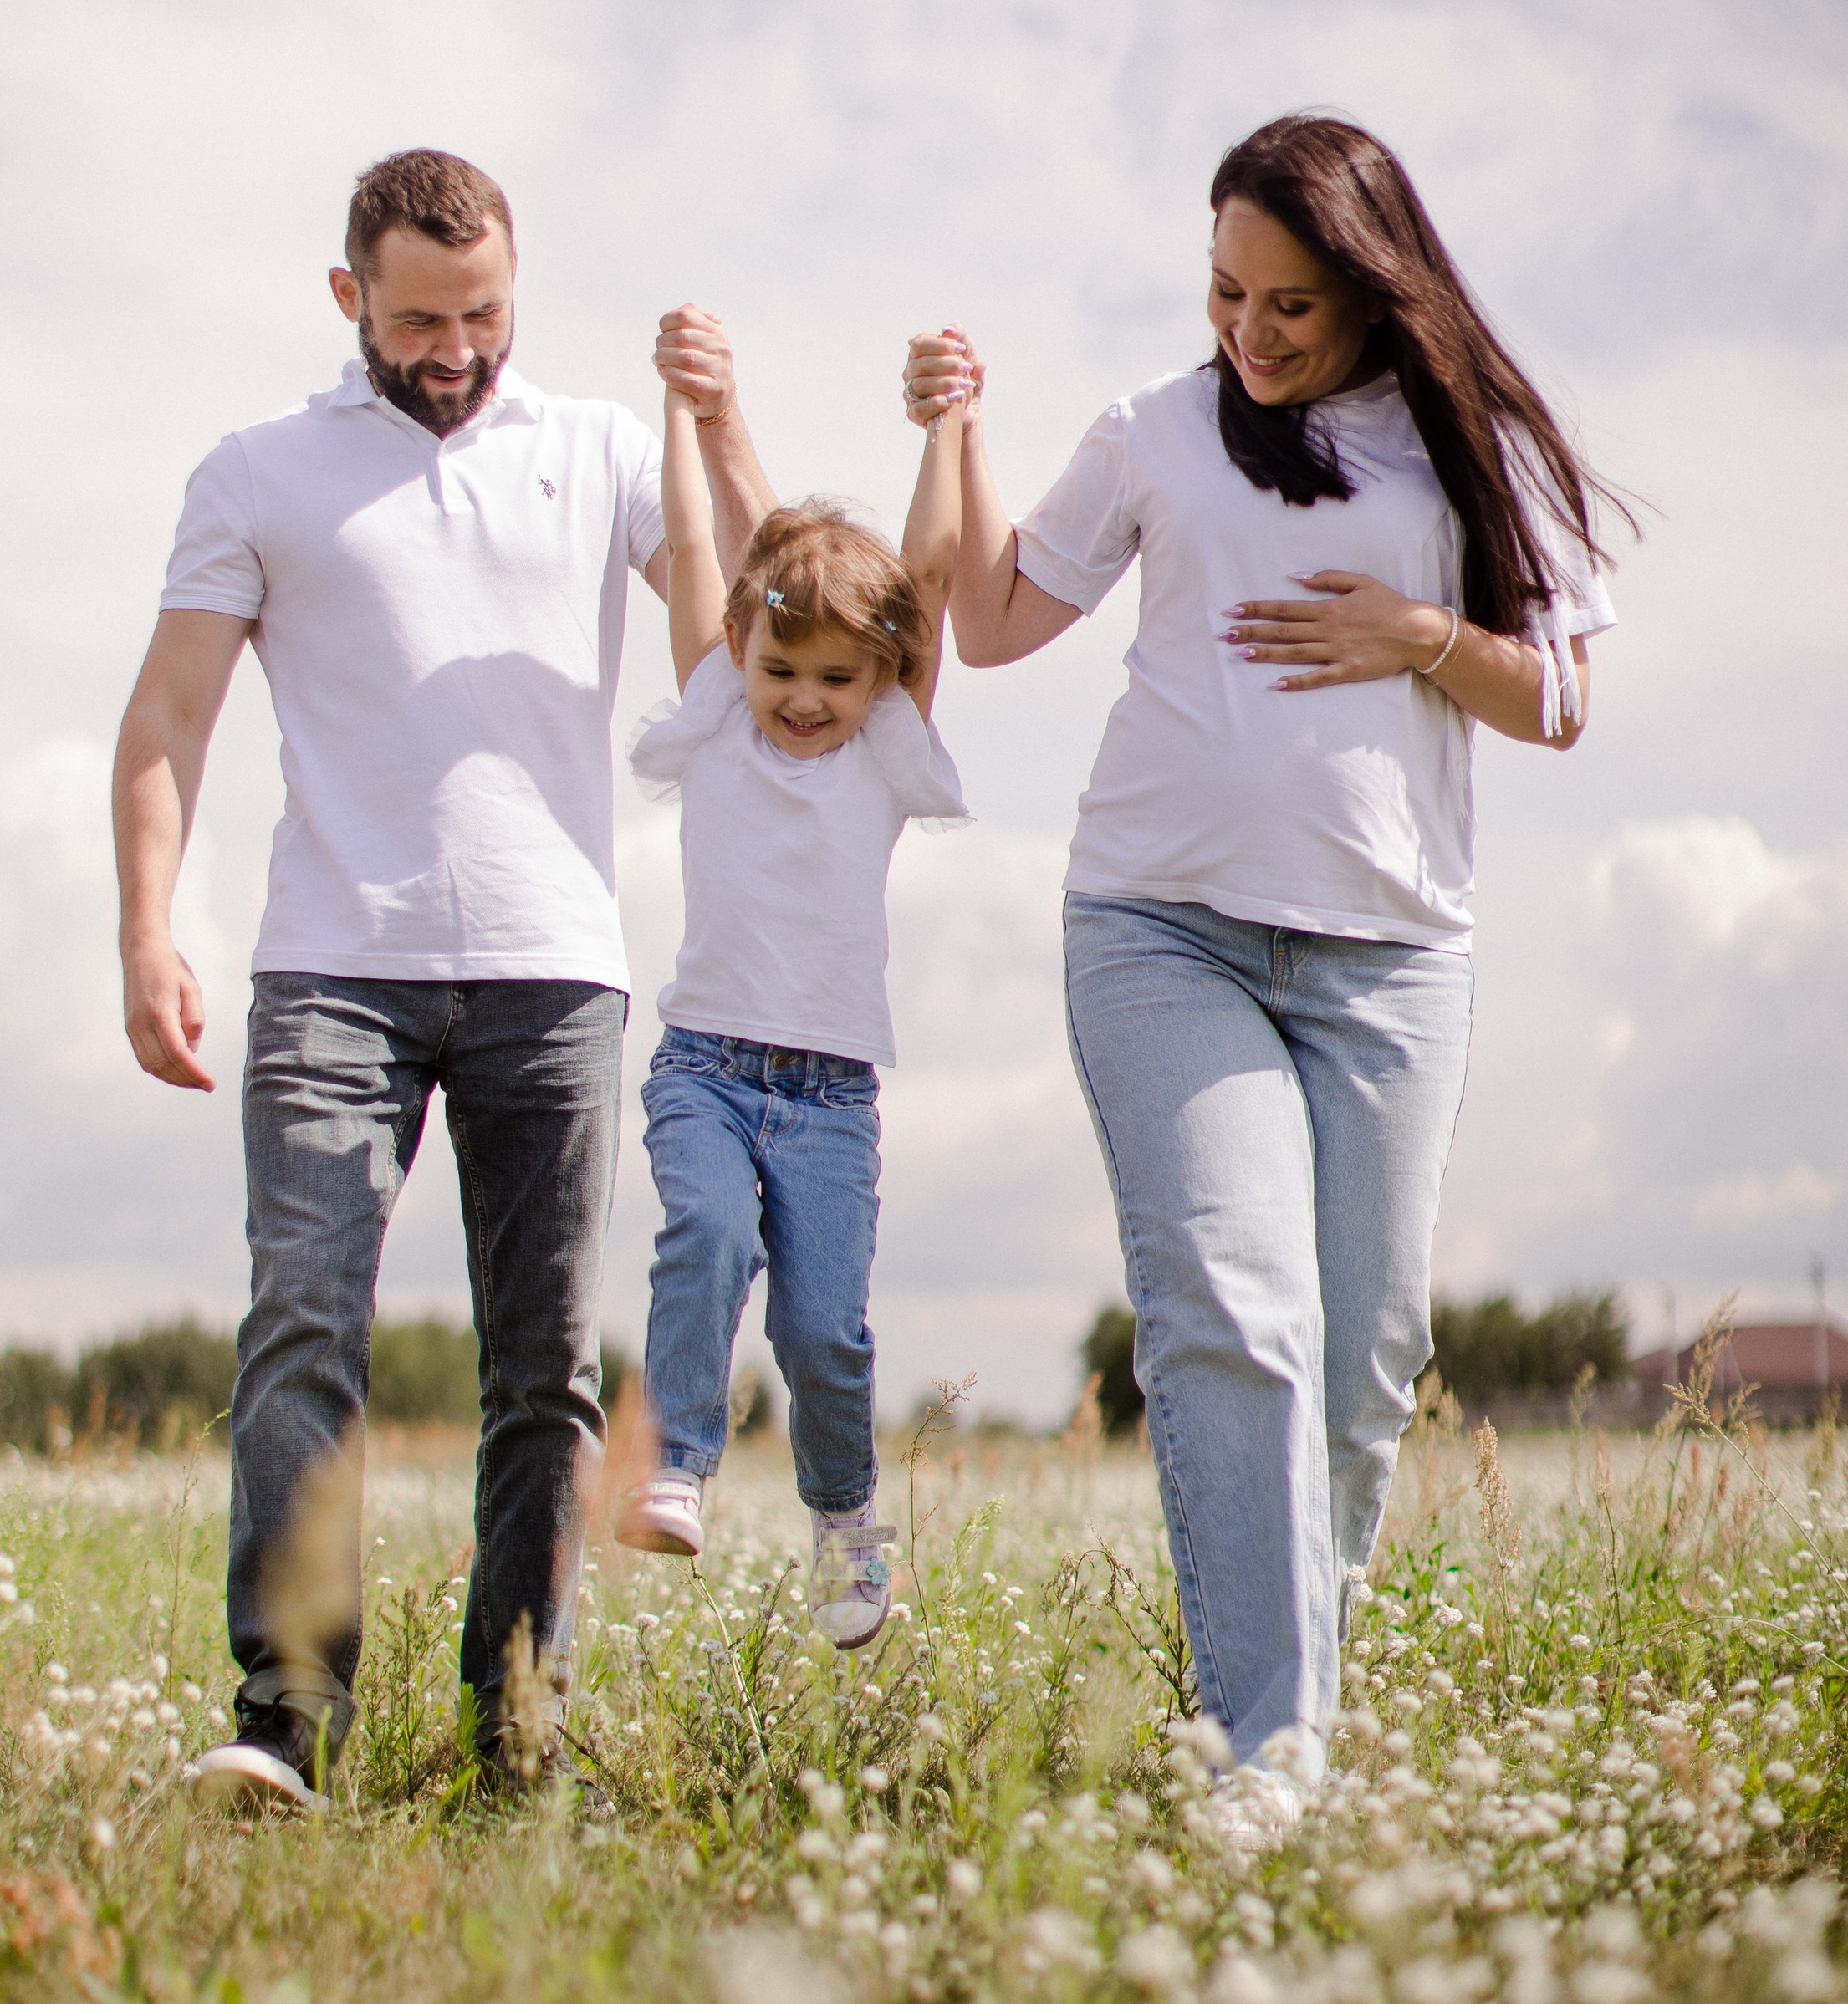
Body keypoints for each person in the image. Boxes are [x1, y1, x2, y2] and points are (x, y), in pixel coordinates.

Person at [909, 113, 1624, 1848]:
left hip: (1388, 958)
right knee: (1237, 1311)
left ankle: (1280, 1664)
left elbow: (1562, 702)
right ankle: (1267, 1753)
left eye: (1290, 304)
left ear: (1377, 289)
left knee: (1368, 1356)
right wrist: (950, 430)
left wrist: (1416, 639)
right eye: (1225, 293)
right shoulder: (1154, 430)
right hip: (1161, 928)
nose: (1250, 333)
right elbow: (991, 622)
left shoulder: (1470, 452)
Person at [111, 148, 773, 1808]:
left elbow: (763, 630)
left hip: (551, 976)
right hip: (332, 968)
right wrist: (144, 927)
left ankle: (514, 1725)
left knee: (539, 1371)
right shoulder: (258, 474)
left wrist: (713, 420)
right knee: (300, 1331)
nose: (457, 346)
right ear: (350, 299)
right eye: (418, 319)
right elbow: (167, 718)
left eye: (484, 311)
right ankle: (285, 1718)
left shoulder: (601, 453)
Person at [611, 373, 972, 1647]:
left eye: (835, 674)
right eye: (780, 668)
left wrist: (945, 427)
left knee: (823, 1331)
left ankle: (842, 1521)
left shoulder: (882, 744)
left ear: (881, 678)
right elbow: (703, 545)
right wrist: (680, 413)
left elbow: (927, 574)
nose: (805, 697)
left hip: (830, 1096)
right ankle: (677, 1462)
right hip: (705, 1065)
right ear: (739, 650)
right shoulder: (716, 727)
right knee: (702, 1233)